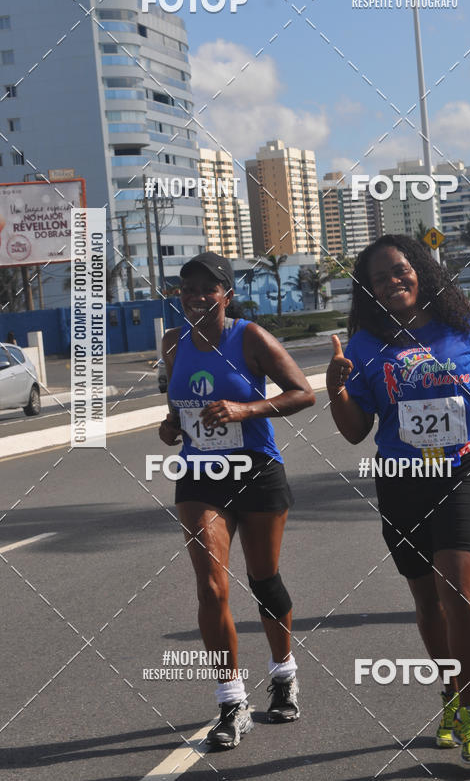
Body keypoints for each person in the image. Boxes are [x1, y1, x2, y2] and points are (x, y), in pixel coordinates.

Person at [327, 234, 470, 765]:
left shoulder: (467, 328)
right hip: (401, 478)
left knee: (459, 589)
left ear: (420, 270)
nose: (393, 281)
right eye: (380, 279)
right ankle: (449, 696)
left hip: (462, 469)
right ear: (369, 291)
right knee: (427, 600)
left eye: (400, 270)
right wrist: (335, 389)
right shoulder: (363, 346)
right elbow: (356, 431)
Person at [159, 252, 315, 748]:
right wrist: (169, 425)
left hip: (256, 469)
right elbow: (176, 405)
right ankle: (231, 702)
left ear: (227, 293)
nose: (197, 297)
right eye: (188, 289)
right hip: (199, 473)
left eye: (208, 288)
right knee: (210, 587)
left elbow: (303, 393)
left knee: (264, 580)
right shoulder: (172, 343)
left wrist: (246, 408)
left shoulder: (248, 337)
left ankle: (284, 671)